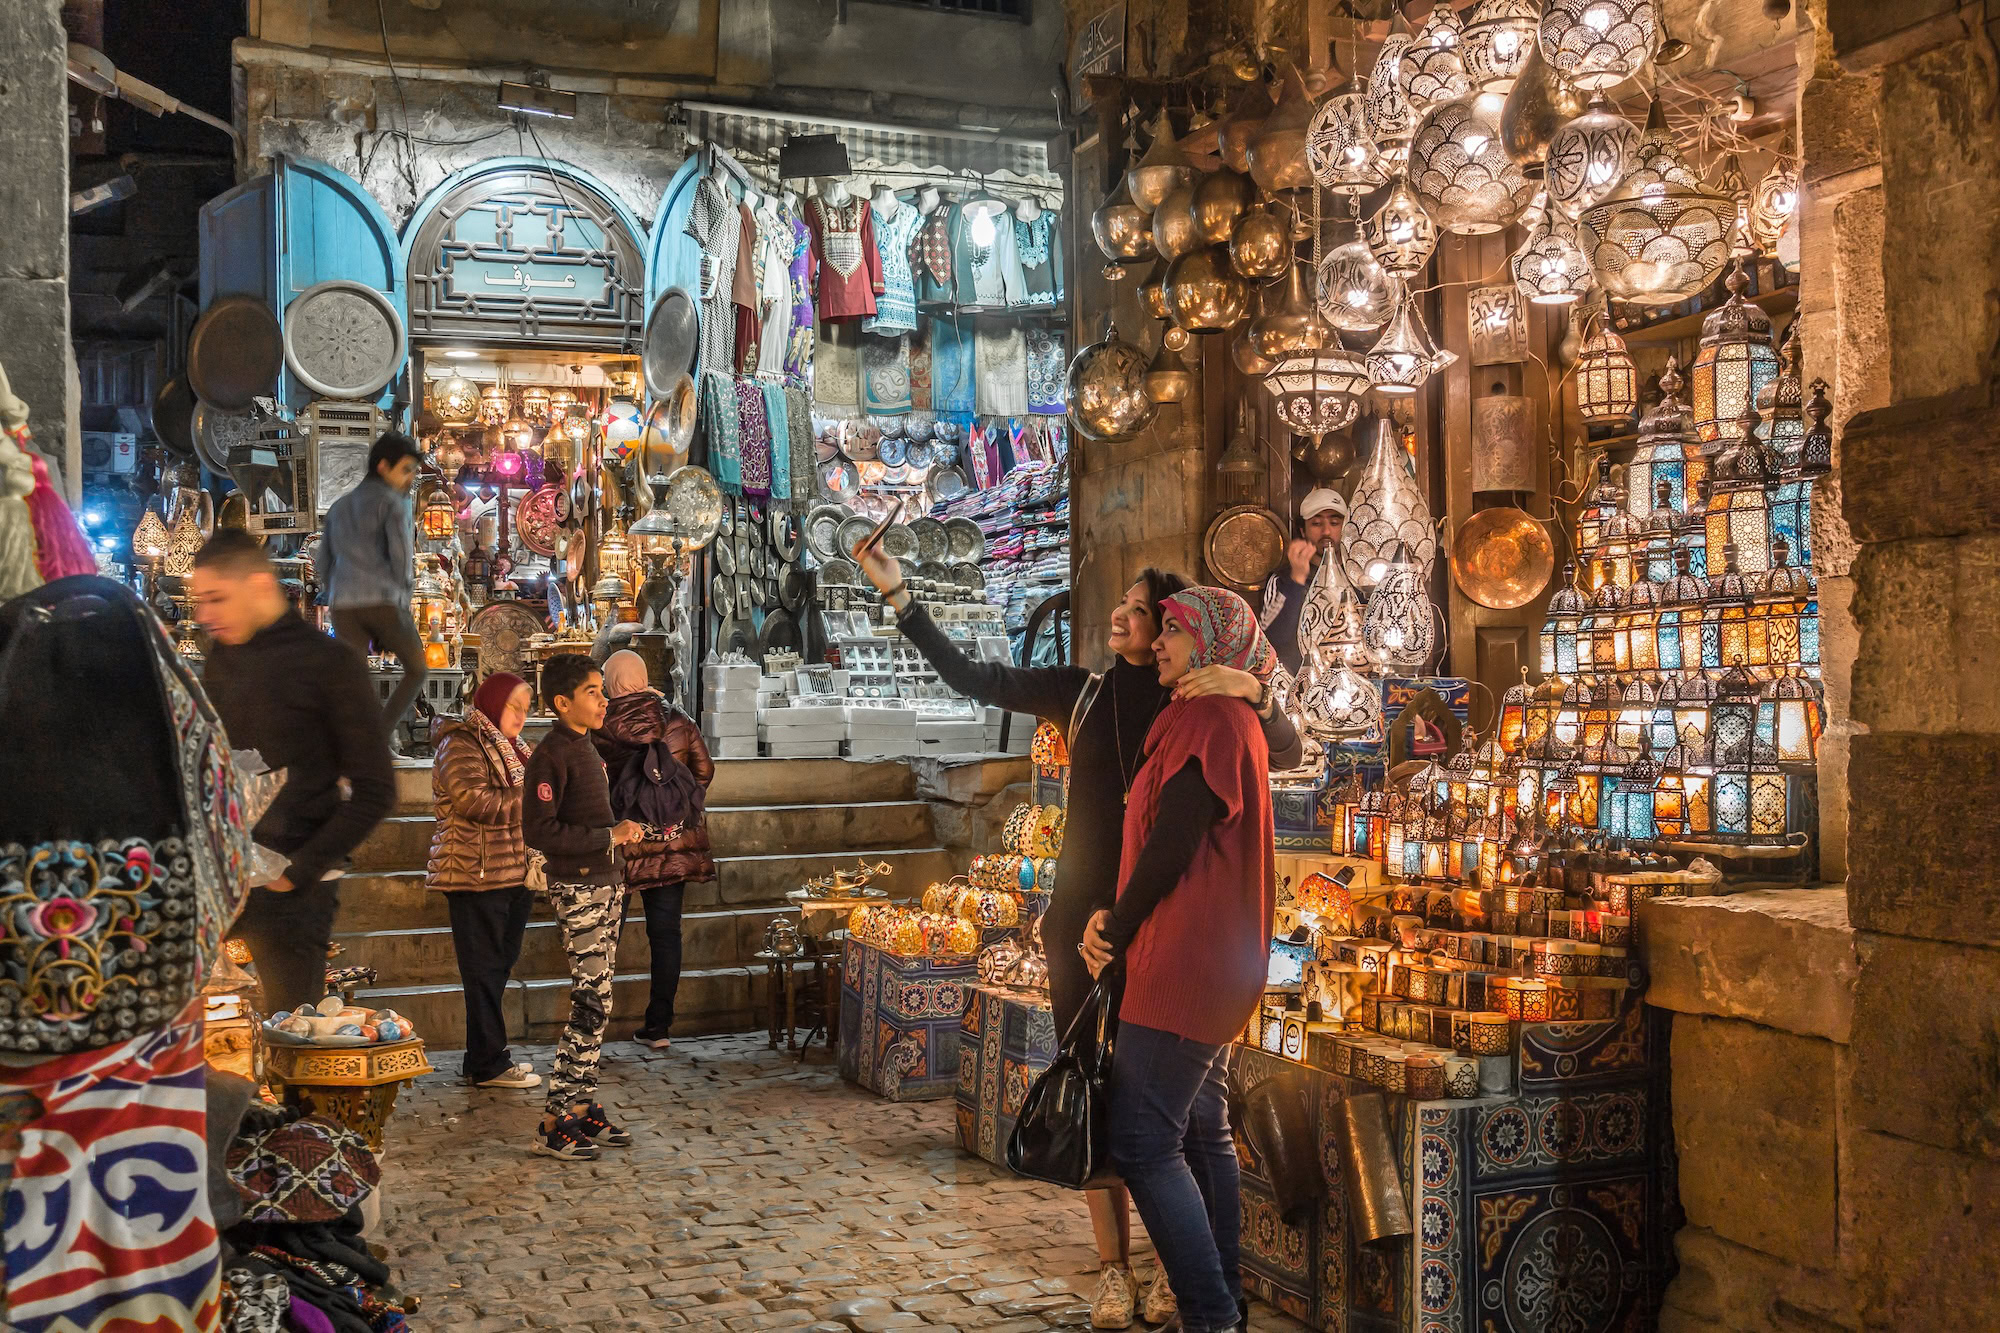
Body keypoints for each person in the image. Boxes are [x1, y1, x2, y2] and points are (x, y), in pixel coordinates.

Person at [854, 543, 1299, 1330]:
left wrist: (1254, 686)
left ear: (1180, 628)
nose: (1123, 617)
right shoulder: (1086, 692)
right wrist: (901, 597)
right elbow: (976, 677)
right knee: (1098, 1093)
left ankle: (1189, 1283)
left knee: (1180, 1123)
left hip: (1160, 930)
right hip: (1090, 929)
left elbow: (1275, 755)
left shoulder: (1202, 701)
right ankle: (1117, 1270)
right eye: (1129, 607)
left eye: (1146, 611)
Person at [1082, 585, 1279, 1333]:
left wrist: (1117, 924)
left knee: (1141, 1141)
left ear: (1212, 643)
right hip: (1210, 957)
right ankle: (1222, 1301)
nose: (1158, 641)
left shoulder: (1210, 718)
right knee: (1200, 1128)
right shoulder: (1209, 714)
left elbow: (1174, 841)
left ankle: (1210, 1313)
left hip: (1185, 959)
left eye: (1173, 629)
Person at [192, 529, 395, 1015]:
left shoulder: (329, 663)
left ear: (260, 586)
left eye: (216, 599)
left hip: (295, 891)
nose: (203, 615)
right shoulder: (222, 658)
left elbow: (376, 790)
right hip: (224, 877)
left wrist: (297, 870)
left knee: (290, 1028)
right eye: (200, 601)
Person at [523, 653, 647, 1161]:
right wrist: (608, 837)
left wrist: (620, 839)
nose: (603, 701)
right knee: (590, 1003)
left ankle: (581, 1106)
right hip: (579, 889)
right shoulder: (550, 755)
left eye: (602, 690)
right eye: (592, 692)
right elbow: (541, 830)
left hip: (607, 883)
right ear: (562, 702)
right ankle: (553, 1120)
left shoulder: (586, 747)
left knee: (601, 1000)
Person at [591, 650, 716, 1052]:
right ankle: (658, 1027)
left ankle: (592, 1026)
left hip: (622, 845)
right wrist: (674, 805)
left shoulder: (599, 722)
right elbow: (705, 770)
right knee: (666, 935)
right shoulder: (677, 719)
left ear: (610, 681)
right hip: (673, 842)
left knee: (605, 937)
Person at [428, 671, 541, 1090]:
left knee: (497, 966)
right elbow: (473, 800)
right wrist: (536, 795)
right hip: (474, 872)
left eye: (526, 708)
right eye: (514, 706)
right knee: (483, 970)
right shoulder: (462, 743)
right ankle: (491, 1062)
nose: (521, 716)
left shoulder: (515, 749)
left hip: (511, 871)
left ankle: (481, 1058)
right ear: (493, 703)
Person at [318, 431, 427, 745]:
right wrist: (403, 604)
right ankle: (378, 737)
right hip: (383, 601)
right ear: (383, 466)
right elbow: (401, 559)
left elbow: (323, 562)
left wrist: (335, 593)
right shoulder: (394, 502)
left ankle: (349, 743)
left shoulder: (339, 507)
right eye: (405, 470)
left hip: (343, 606)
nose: (410, 479)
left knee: (355, 679)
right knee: (417, 670)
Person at [1259, 488, 1348, 677]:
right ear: (1303, 530)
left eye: (1334, 523)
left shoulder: (1358, 577)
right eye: (1316, 523)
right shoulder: (1282, 580)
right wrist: (1297, 580)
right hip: (1300, 681)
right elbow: (1271, 641)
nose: (1326, 531)